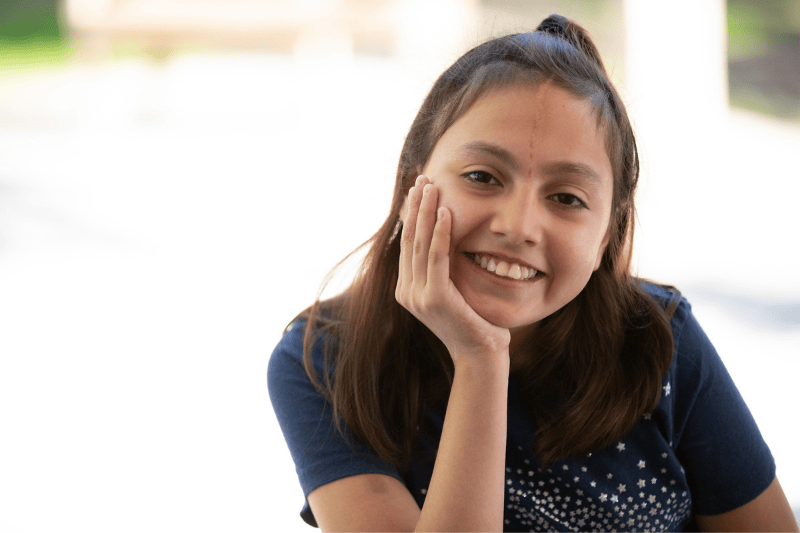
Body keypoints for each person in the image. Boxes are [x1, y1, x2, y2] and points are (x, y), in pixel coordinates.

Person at [268, 14, 798, 532]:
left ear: (606, 237)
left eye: (567, 198)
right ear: (413, 186)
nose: (519, 226)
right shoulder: (325, 361)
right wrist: (480, 358)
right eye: (482, 176)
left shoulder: (659, 340)